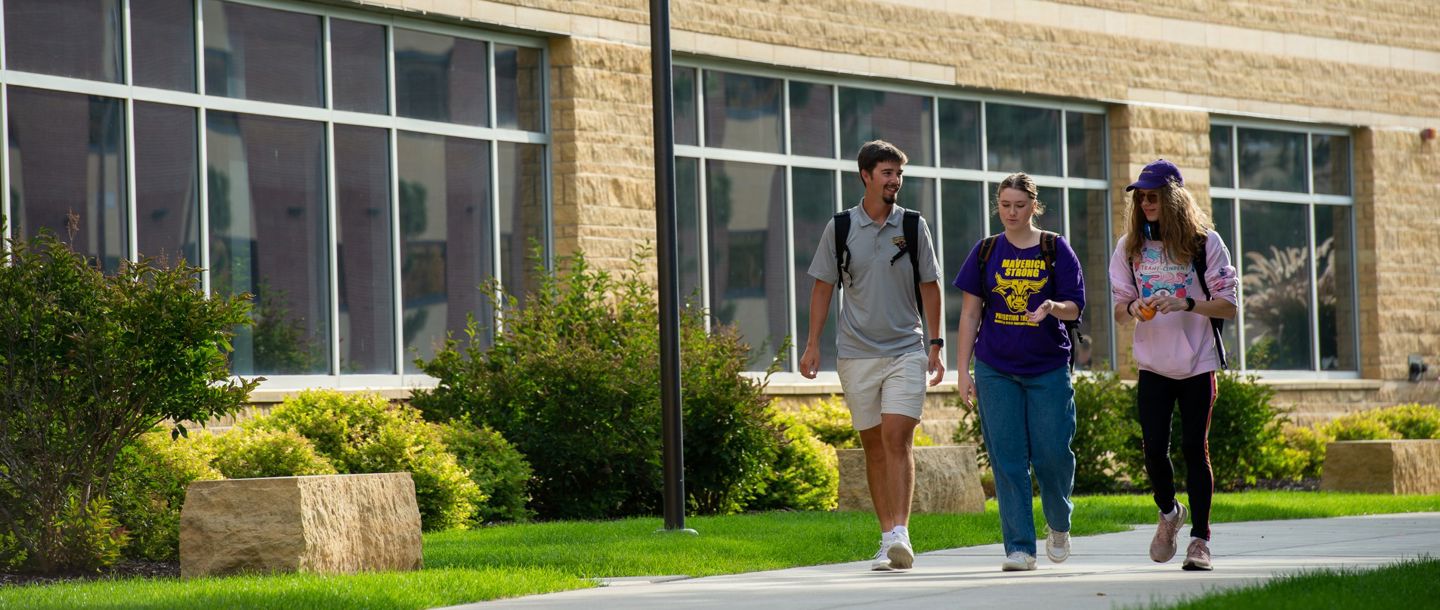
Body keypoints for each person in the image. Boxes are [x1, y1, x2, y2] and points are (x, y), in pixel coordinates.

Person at [801, 140, 944, 572]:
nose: (894, 181)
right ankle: (886, 538)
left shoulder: (915, 225)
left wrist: (935, 345)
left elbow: (930, 287)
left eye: (898, 174)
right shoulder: (840, 228)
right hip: (856, 353)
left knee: (897, 438)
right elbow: (823, 286)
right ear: (866, 175)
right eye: (886, 173)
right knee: (874, 447)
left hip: (905, 348)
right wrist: (812, 344)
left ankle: (902, 533)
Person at [1108, 158, 1238, 572]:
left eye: (1154, 196)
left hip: (1198, 361)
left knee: (1193, 450)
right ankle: (1169, 514)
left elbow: (1230, 307)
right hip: (1153, 364)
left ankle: (1200, 540)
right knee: (1153, 450)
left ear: (1174, 199)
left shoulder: (1205, 243)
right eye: (1142, 197)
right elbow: (1118, 309)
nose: (1147, 204)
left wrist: (1186, 302)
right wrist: (1135, 307)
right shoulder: (1129, 247)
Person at [952, 173, 1083, 572]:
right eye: (1005, 204)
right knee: (1007, 460)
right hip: (995, 367)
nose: (1011, 212)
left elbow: (1075, 307)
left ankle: (1059, 523)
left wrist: (1051, 308)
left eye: (1019, 205)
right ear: (998, 205)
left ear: (1033, 206)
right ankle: (1020, 548)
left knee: (1052, 455)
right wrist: (963, 371)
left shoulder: (1055, 248)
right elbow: (971, 313)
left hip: (1046, 367)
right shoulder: (986, 250)